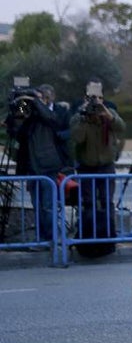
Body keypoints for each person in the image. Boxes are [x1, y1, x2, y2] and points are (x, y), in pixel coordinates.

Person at [4, 85, 69, 243]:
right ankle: (42, 239)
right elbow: (16, 131)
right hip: (31, 166)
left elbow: (53, 119)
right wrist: (20, 103)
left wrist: (36, 101)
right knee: (37, 205)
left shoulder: (46, 114)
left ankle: (54, 239)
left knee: (48, 205)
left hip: (47, 165)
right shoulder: (28, 116)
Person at [69, 88, 127, 257]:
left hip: (106, 165)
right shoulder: (79, 117)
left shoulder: (108, 114)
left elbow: (121, 127)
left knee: (107, 201)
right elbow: (78, 138)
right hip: (86, 165)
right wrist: (84, 117)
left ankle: (108, 237)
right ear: (85, 99)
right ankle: (88, 237)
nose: (96, 102)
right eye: (92, 99)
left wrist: (106, 113)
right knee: (88, 202)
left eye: (100, 98)